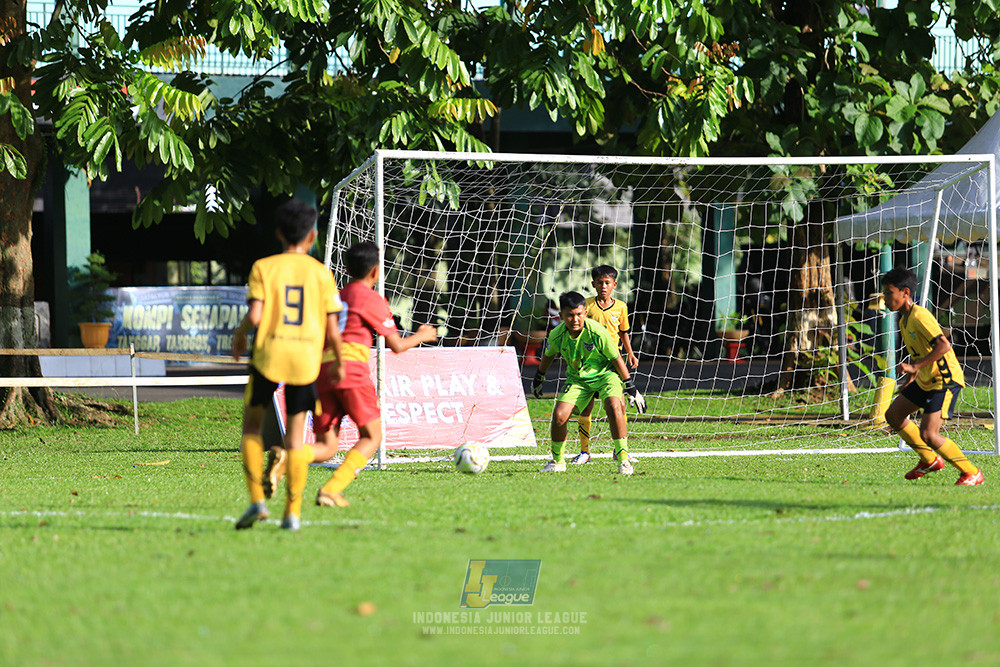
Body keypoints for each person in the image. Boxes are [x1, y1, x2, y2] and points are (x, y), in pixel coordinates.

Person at [231, 199, 344, 531]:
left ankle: (257, 502)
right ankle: (292, 513)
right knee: (296, 441)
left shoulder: (264, 267)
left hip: (268, 356)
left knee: (252, 428)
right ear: (312, 237)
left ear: (278, 233)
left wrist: (240, 334)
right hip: (305, 362)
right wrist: (337, 363)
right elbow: (333, 331)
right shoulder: (322, 273)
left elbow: (255, 316)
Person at [308, 241, 437, 507]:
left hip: (322, 372)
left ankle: (289, 455)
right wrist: (423, 335)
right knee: (372, 437)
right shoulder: (372, 299)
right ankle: (331, 489)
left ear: (346, 268)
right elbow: (397, 345)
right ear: (376, 272)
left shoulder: (336, 297)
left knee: (327, 448)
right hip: (351, 371)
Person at [882, 268, 984, 486]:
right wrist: (910, 379)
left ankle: (972, 472)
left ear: (905, 293)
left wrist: (914, 367)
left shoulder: (920, 316)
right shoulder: (903, 321)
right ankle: (929, 460)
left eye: (889, 293)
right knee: (894, 414)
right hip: (925, 379)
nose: (885, 298)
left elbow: (943, 345)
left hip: (945, 380)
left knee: (929, 434)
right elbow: (919, 352)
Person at [531, 291, 646, 475]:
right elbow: (548, 355)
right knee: (560, 415)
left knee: (614, 405)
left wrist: (630, 387)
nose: (575, 319)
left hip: (606, 375)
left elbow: (616, 358)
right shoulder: (557, 335)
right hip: (577, 379)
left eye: (579, 314)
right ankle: (558, 461)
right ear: (561, 316)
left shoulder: (597, 331)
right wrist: (539, 377)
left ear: (585, 312)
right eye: (569, 315)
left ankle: (623, 459)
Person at [571, 265, 640, 464]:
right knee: (586, 407)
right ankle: (584, 452)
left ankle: (620, 451)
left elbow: (623, 332)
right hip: (590, 363)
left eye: (607, 283)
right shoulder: (587, 306)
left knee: (619, 404)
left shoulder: (621, 307)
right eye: (599, 282)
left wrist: (630, 353)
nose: (603, 286)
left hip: (613, 362)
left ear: (614, 285)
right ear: (593, 284)